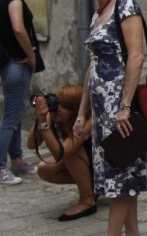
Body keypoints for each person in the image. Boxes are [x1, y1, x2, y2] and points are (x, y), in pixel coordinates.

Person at [72, 0, 147, 236]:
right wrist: (82, 114)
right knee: (121, 173)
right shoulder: (98, 11)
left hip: (120, 109)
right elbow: (93, 66)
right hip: (103, 110)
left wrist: (125, 106)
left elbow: (136, 56)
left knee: (118, 176)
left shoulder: (125, 4)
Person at [0, 0, 42, 185]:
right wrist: (30, 55)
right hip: (16, 64)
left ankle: (17, 159)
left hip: (6, 64)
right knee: (10, 117)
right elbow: (19, 29)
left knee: (16, 112)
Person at [27, 85, 96, 221]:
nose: (57, 110)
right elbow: (31, 144)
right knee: (44, 169)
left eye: (62, 107)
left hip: (106, 167)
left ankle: (87, 200)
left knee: (71, 152)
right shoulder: (54, 115)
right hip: (89, 166)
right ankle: (91, 187)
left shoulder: (90, 119)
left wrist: (45, 127)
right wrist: (41, 118)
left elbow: (63, 153)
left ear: (75, 109)